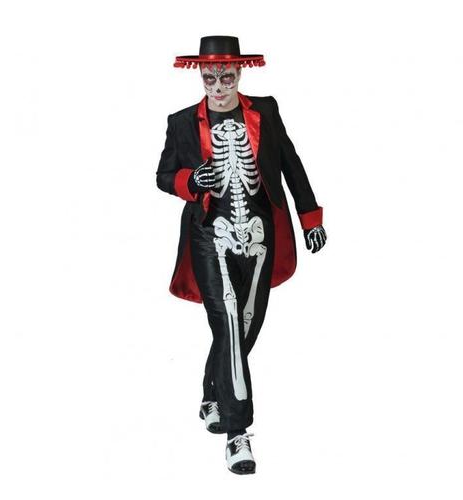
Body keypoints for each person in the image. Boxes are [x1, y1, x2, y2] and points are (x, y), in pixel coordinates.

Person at [156, 36, 327, 475]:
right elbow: (163, 176)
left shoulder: (264, 111)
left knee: (246, 324)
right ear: (200, 76)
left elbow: (290, 163)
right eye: (209, 78)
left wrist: (310, 217)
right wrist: (191, 179)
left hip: (259, 233)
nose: (217, 87)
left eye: (226, 77)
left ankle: (211, 393)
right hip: (209, 236)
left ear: (239, 73)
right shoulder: (181, 122)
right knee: (229, 320)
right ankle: (238, 432)